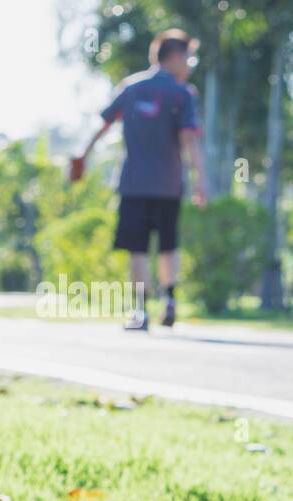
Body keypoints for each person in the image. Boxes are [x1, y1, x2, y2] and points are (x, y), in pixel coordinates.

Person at [79, 28, 207, 331]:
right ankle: (170, 301)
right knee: (168, 246)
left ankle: (140, 311)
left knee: (137, 249)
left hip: (134, 184)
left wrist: (82, 156)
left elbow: (103, 125)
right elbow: (190, 140)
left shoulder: (131, 88)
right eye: (189, 58)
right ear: (174, 57)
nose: (190, 65)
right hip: (168, 185)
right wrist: (201, 181)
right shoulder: (182, 94)